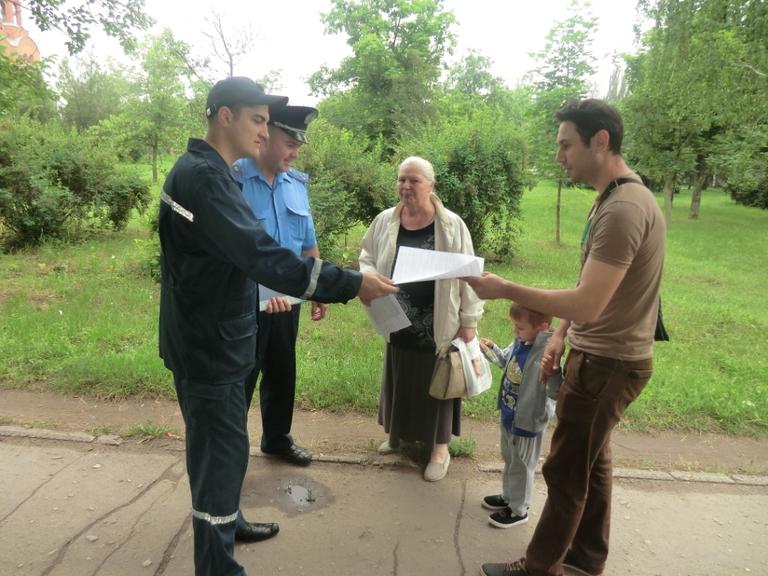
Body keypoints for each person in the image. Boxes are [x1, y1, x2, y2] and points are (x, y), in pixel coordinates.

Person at [158, 76, 397, 576]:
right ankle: (219, 567)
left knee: (218, 454)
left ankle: (229, 520)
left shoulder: (206, 171)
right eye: (258, 120)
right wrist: (352, 283)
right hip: (211, 348)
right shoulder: (205, 178)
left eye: (268, 123)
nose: (265, 133)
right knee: (219, 454)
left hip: (210, 336)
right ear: (225, 116)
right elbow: (263, 256)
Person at [468, 99, 666, 576]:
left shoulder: (623, 209)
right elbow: (589, 289)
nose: (559, 156)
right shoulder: (615, 198)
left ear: (601, 141)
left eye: (565, 144)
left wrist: (507, 289)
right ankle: (585, 558)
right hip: (600, 357)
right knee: (592, 465)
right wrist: (558, 335)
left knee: (564, 470)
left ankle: (538, 568)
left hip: (608, 364)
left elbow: (588, 303)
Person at [359, 156, 484, 482]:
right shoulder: (386, 220)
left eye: (414, 180)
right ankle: (397, 436)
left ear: (431, 185)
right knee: (400, 375)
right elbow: (367, 256)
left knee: (439, 383)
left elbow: (470, 273)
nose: (406, 186)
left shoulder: (451, 224)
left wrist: (469, 321)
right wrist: (368, 278)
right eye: (402, 179)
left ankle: (439, 450)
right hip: (396, 317)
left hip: (438, 320)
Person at [232, 105, 322, 467]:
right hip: (246, 304)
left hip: (289, 301)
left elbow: (307, 244)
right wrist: (263, 295)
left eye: (298, 145)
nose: (294, 152)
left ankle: (277, 439)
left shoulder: (296, 185)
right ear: (266, 137)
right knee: (241, 376)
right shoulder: (234, 181)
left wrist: (317, 288)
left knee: (283, 370)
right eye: (289, 142)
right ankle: (231, 448)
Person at [479, 303, 562, 529]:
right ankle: (508, 497)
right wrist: (492, 349)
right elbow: (507, 361)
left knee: (522, 465)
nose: (515, 332)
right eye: (515, 328)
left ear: (542, 327)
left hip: (527, 422)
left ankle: (519, 509)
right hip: (509, 415)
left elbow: (555, 391)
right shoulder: (521, 342)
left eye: (520, 328)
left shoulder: (548, 353)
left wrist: (553, 373)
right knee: (510, 459)